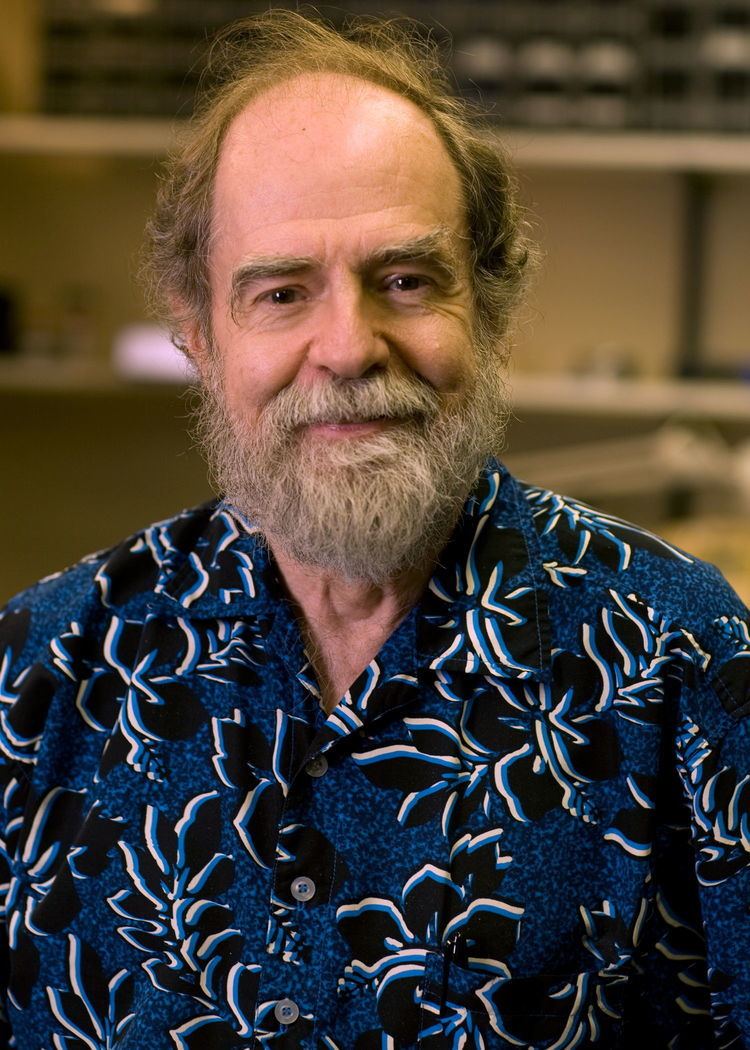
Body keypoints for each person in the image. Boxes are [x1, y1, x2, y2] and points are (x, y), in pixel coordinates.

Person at [1, 10, 748, 1048]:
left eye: (405, 280)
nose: (349, 346)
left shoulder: (680, 658)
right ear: (199, 335)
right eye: (281, 292)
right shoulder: (41, 674)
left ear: (491, 309)